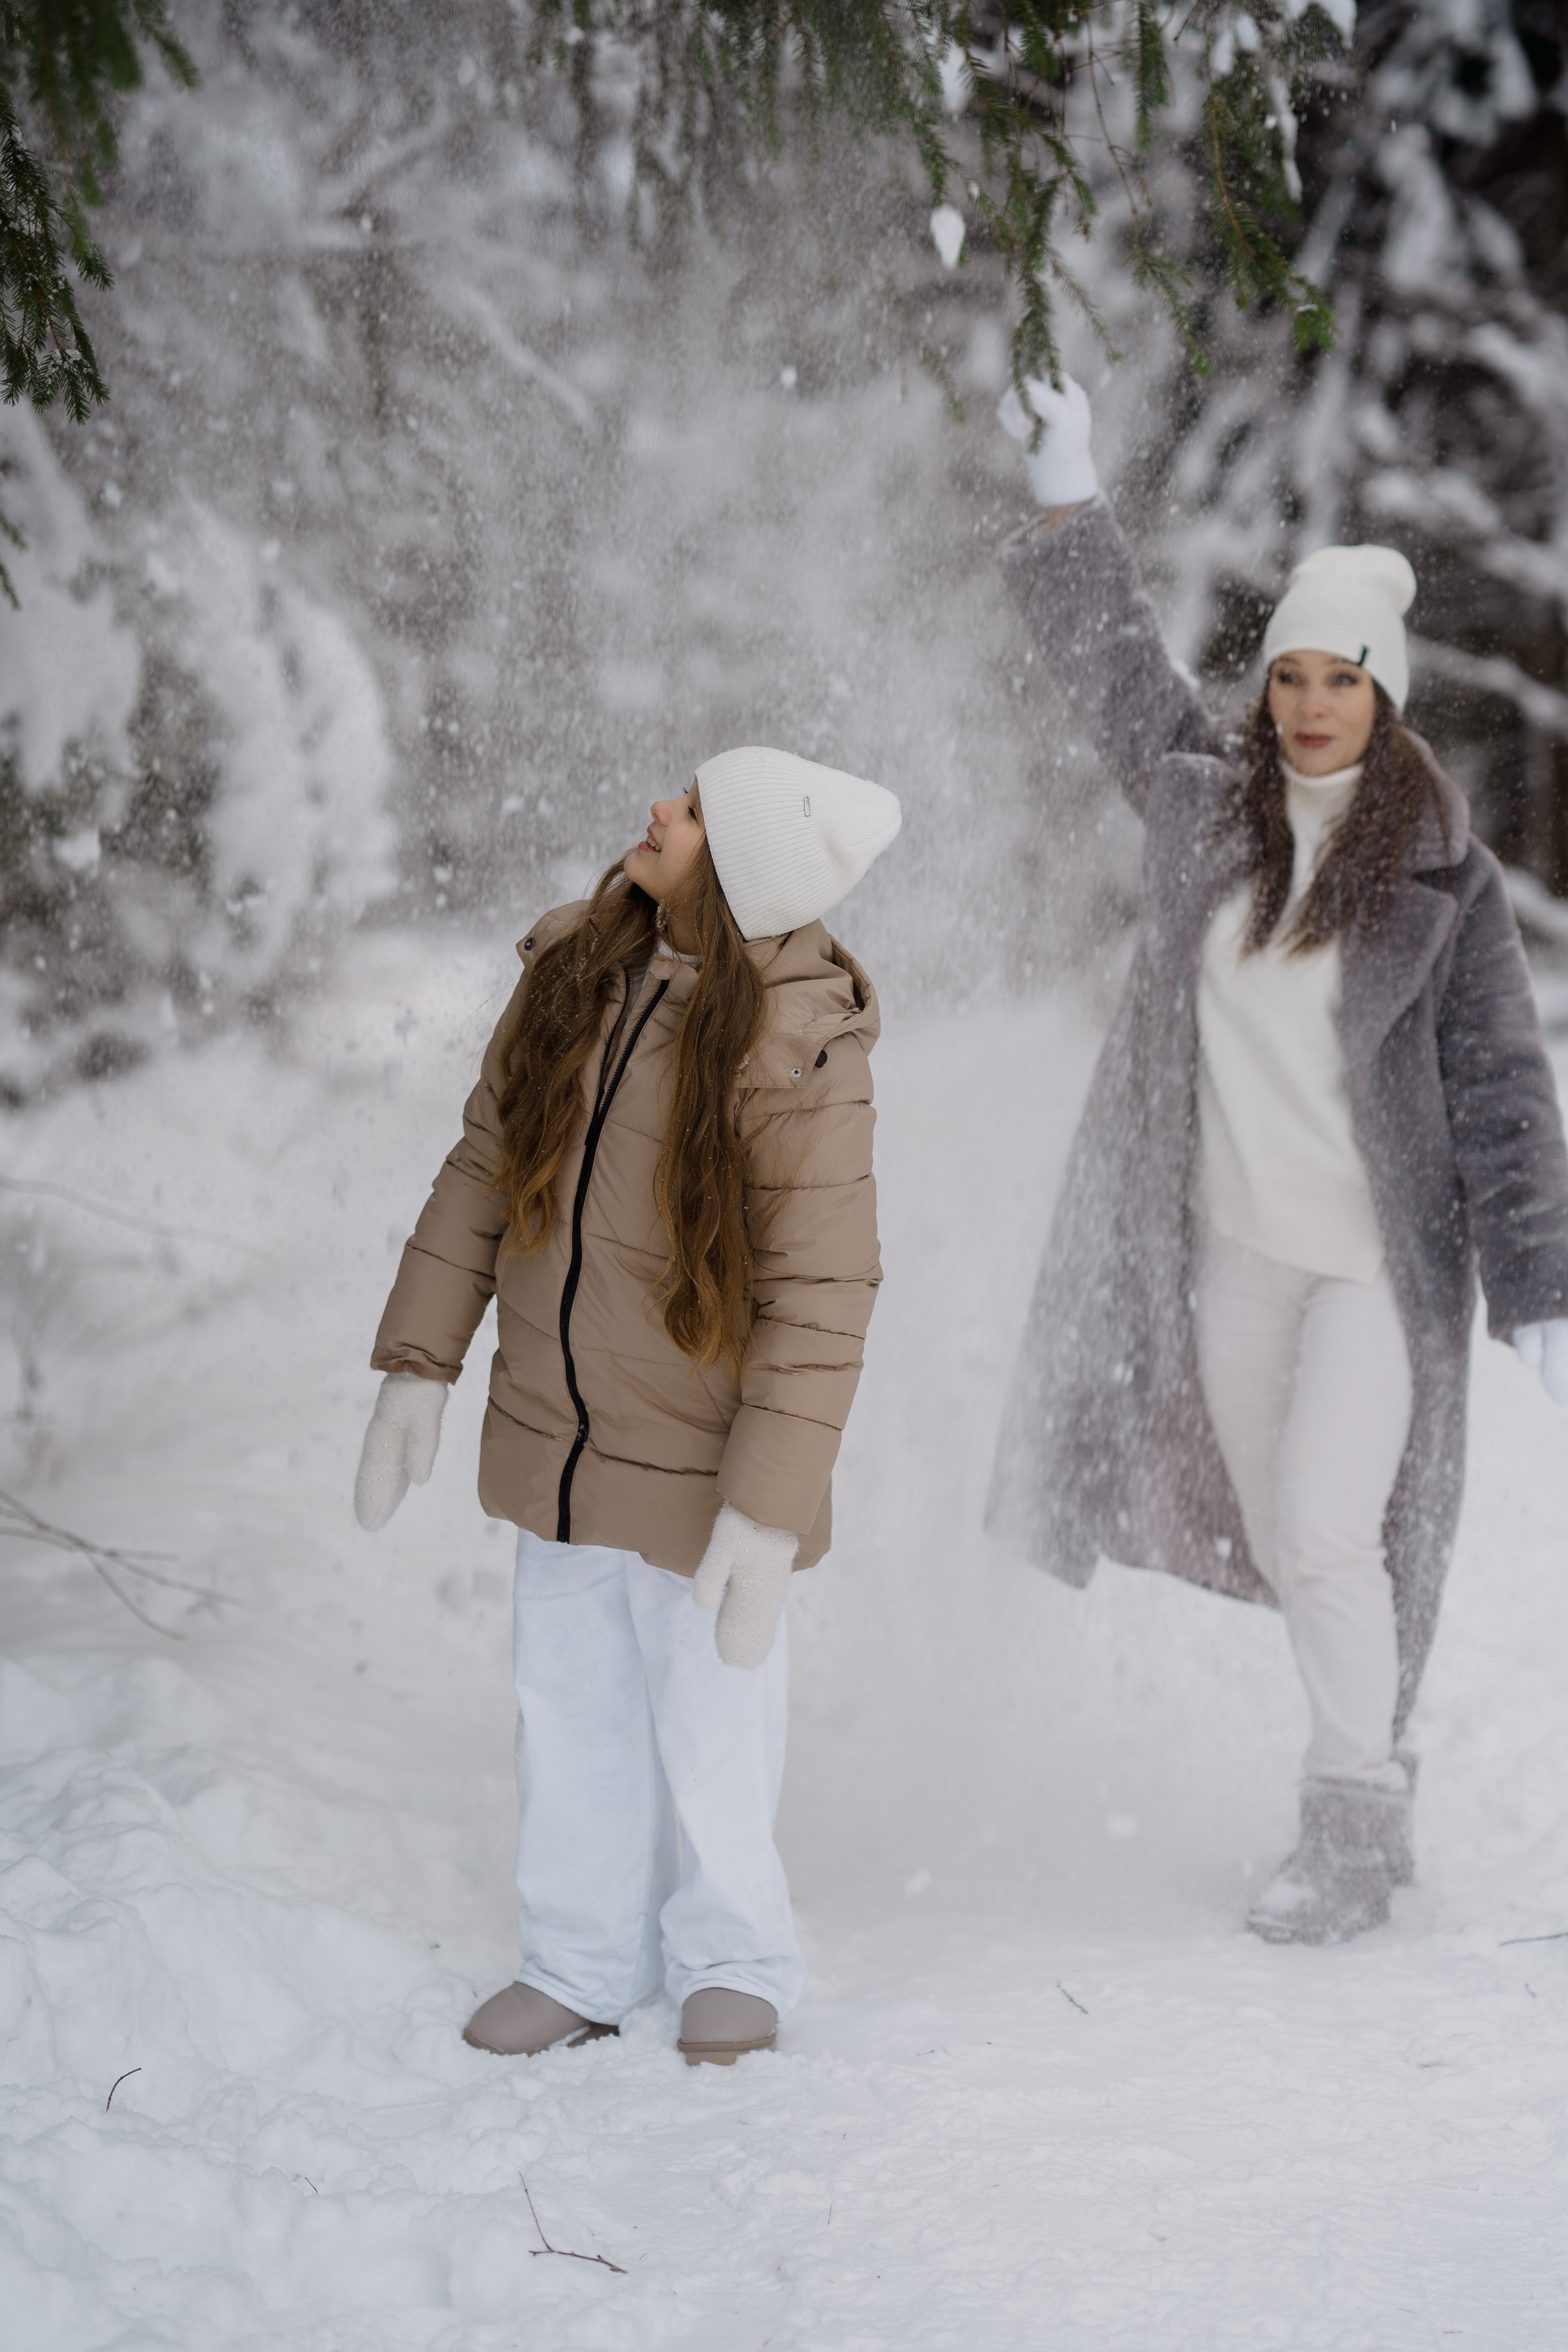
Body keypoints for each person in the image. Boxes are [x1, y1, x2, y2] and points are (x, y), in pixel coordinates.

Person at [987, 375, 1568, 1943]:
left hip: (1377, 1267)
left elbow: (1506, 1092)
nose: (1307, 706)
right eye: (1288, 676)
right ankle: (1363, 1763)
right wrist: (1063, 502)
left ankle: (1353, 1816)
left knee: (1323, 1526)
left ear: (1383, 698)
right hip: (1235, 1254)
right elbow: (1111, 674)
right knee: (1280, 1529)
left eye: (1339, 682)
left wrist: (1536, 1282)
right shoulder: (1205, 812)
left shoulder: (1445, 880)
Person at [353, 749, 899, 2059]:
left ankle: (735, 1955)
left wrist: (766, 1516)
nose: (658, 810)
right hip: (559, 1428)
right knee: (570, 1708)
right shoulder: (575, 972)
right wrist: (417, 1365)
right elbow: (487, 1167)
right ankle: (583, 1956)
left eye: (696, 810)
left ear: (746, 868)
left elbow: (823, 1292)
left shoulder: (797, 1042)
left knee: (713, 1719)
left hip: (707, 1466)